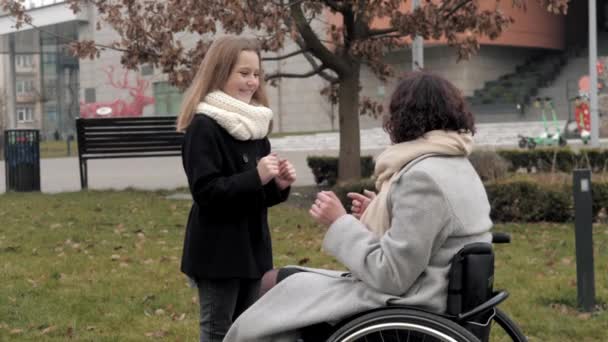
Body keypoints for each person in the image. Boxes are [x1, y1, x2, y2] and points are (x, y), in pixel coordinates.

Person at [224, 71, 493, 342]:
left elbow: (391, 275)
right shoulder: (456, 163)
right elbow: (428, 236)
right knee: (284, 281)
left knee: (275, 287)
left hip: (411, 307)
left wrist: (340, 222)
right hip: (434, 296)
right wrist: (382, 212)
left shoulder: (423, 177)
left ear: (404, 117)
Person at [177, 35, 296, 342]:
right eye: (243, 73)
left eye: (256, 74)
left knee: (249, 331)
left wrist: (277, 187)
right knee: (219, 331)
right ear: (220, 73)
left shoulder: (256, 125)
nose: (252, 82)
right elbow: (207, 193)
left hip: (253, 251)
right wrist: (256, 176)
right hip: (218, 254)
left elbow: (253, 196)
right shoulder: (203, 127)